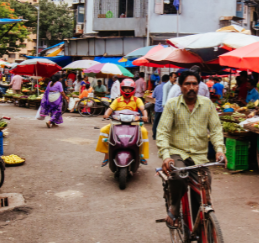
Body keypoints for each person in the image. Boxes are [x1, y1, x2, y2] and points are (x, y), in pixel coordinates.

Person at [157, 70, 226, 227]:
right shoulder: (172, 105)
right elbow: (162, 132)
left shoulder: (207, 104)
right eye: (187, 84)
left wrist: (220, 150)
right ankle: (174, 206)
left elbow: (215, 129)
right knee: (179, 174)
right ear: (180, 86)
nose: (191, 87)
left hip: (199, 156)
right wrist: (166, 156)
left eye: (194, 84)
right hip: (177, 152)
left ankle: (203, 239)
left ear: (199, 86)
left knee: (204, 189)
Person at [96, 78, 150, 166]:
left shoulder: (137, 100)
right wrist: (106, 114)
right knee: (103, 131)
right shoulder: (117, 100)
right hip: (117, 123)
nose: (127, 90)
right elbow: (110, 109)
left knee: (144, 132)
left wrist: (145, 115)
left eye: (129, 89)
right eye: (125, 88)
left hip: (134, 124)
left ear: (133, 90)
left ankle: (142, 155)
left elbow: (143, 109)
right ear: (122, 89)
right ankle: (107, 154)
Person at [152, 74, 170, 138]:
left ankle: (154, 135)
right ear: (167, 80)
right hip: (165, 108)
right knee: (164, 123)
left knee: (156, 122)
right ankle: (162, 136)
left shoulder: (157, 87)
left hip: (157, 108)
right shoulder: (169, 88)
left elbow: (153, 96)